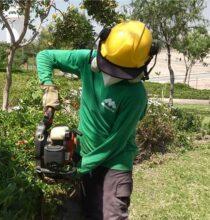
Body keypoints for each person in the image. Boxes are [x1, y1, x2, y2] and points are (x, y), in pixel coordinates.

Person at [36, 20, 158, 219]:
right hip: (83, 154)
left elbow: (114, 144)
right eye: (108, 67)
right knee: (77, 212)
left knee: (111, 214)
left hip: (114, 164)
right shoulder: (86, 60)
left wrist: (79, 169)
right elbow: (45, 56)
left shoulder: (136, 95)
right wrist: (48, 88)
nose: (111, 75)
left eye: (120, 72)